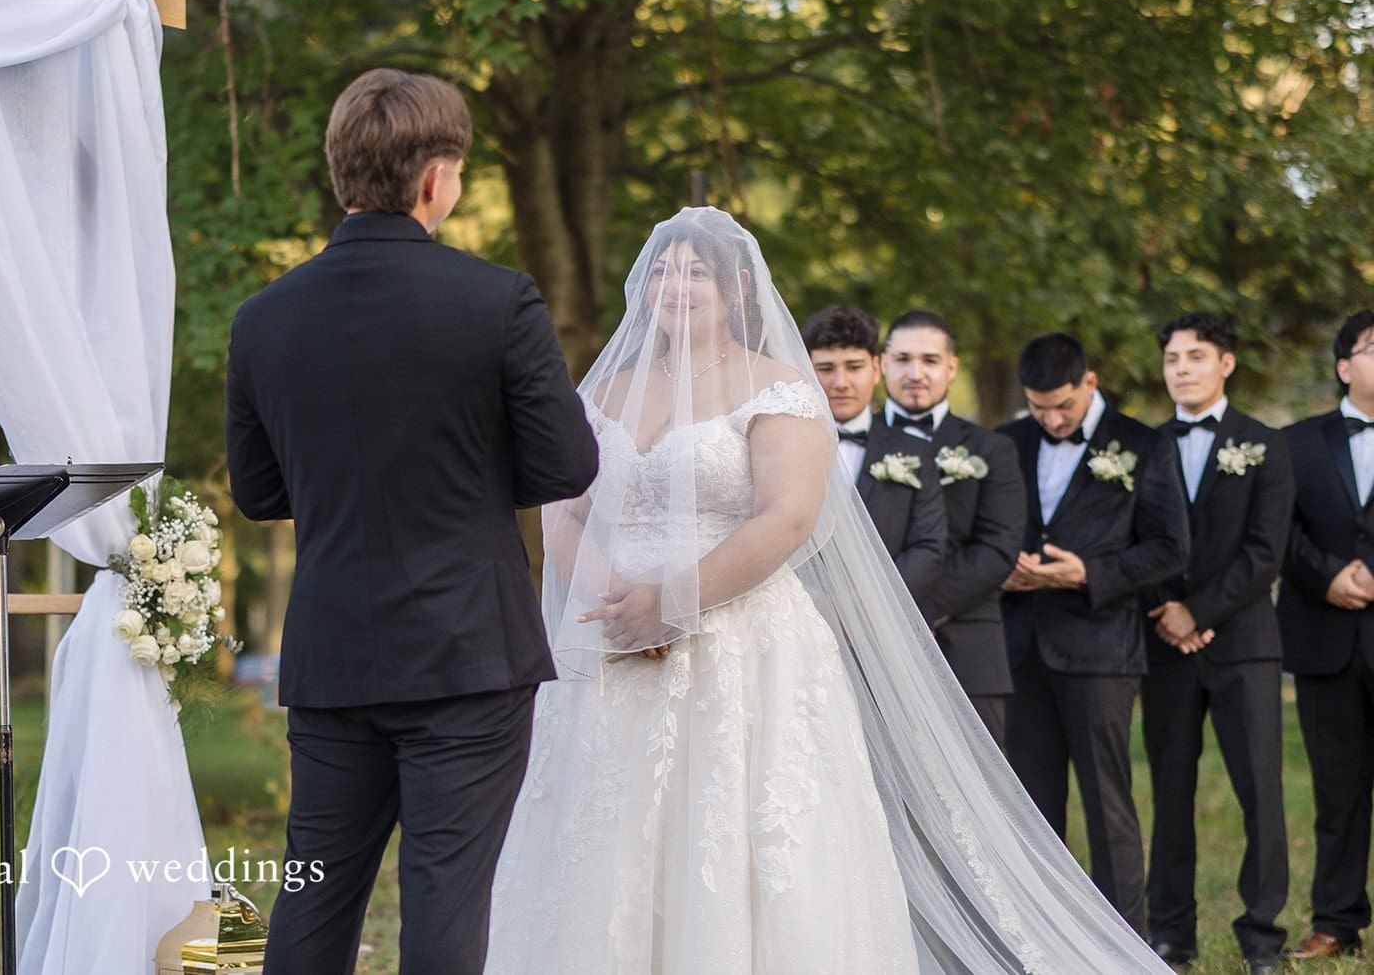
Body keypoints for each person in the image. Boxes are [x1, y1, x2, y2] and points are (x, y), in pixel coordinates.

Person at [486, 207, 1175, 972]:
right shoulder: (604, 390)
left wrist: (670, 601)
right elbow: (562, 509)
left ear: (735, 287)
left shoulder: (779, 386)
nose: (675, 285)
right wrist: (620, 600)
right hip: (614, 637)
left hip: (736, 639)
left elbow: (786, 518)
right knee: (609, 823)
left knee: (727, 820)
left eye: (696, 271)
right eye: (662, 271)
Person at [224, 69, 597, 975]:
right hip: (467, 654)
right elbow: (568, 464)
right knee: (445, 899)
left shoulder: (263, 318)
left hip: (333, 654)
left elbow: (260, 492)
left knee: (314, 895)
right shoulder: (497, 300)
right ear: (435, 178)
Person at [998, 333, 1189, 937]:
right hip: (1021, 647)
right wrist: (1002, 570)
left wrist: (1088, 573)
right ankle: (1041, 939)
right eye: (1039, 408)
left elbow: (1169, 549)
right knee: (1030, 806)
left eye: (1063, 406)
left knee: (1108, 804)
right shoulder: (1007, 442)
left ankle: (1125, 943)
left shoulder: (1143, 445)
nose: (1052, 421)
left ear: (1090, 382)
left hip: (1103, 648)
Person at [1137, 312, 1292, 973]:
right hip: (1163, 644)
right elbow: (1130, 539)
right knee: (1170, 791)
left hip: (1244, 644)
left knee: (1260, 793)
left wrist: (1197, 612)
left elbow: (1265, 551)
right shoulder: (1143, 447)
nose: (1182, 369)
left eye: (1195, 356)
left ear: (1225, 363)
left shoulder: (1264, 444)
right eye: (1173, 358)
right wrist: (1164, 608)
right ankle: (1172, 932)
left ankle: (1262, 935)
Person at [879, 310, 1024, 747]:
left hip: (967, 646)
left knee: (980, 781)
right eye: (902, 359)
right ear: (882, 364)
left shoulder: (992, 449)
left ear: (952, 367)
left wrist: (914, 611)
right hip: (870, 646)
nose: (915, 373)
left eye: (929, 360)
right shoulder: (852, 444)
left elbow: (998, 548)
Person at [1278, 309, 1374, 962]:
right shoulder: (1295, 443)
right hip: (1325, 639)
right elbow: (1277, 530)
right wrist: (1328, 576)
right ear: (1344, 366)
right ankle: (1336, 921)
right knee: (1337, 792)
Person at [803, 305, 945, 611]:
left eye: (854, 367)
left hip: (884, 613)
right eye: (826, 369)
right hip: (800, 611)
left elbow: (928, 546)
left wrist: (868, 604)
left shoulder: (915, 451)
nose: (841, 382)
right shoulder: (783, 447)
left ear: (877, 368)